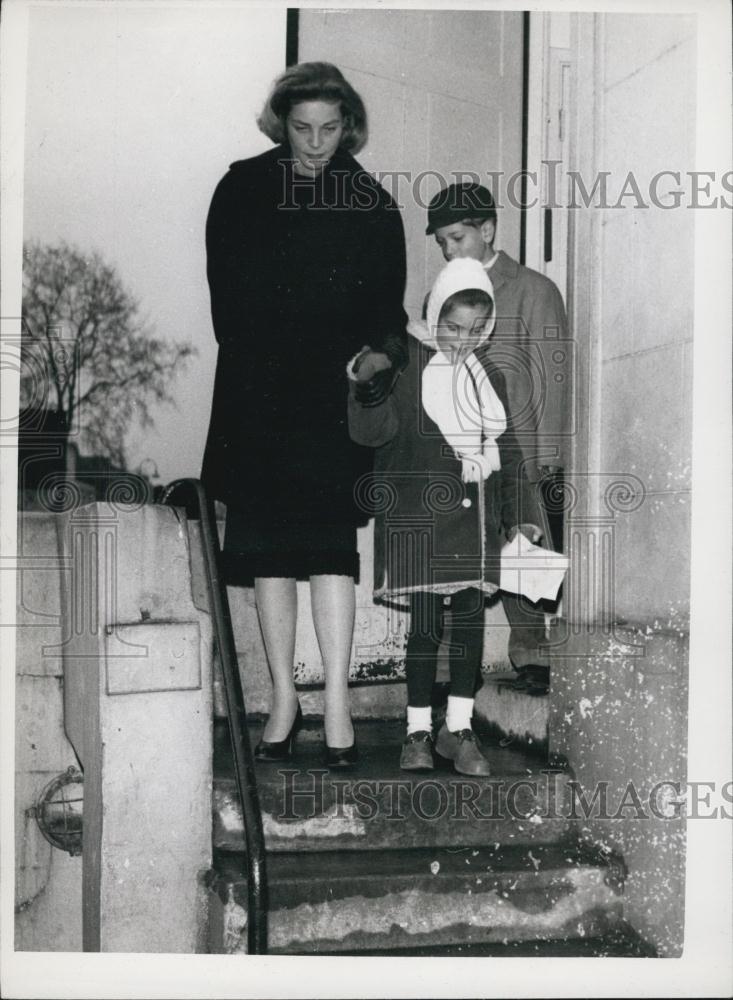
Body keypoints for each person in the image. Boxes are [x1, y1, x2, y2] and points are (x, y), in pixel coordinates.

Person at [201, 62, 408, 768]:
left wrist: (380, 357)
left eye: (329, 129)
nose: (316, 144)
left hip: (330, 403)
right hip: (260, 400)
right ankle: (285, 703)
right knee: (268, 559)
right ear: (280, 123)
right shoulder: (241, 189)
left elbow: (388, 315)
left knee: (328, 555)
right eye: (301, 129)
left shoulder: (373, 203)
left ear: (346, 124)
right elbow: (226, 303)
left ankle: (340, 709)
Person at [348, 258, 541, 774]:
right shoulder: (404, 367)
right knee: (426, 628)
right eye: (453, 327)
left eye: (477, 329)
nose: (464, 339)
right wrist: (366, 388)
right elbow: (369, 435)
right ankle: (415, 731)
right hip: (419, 521)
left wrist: (521, 515)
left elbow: (510, 452)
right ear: (434, 314)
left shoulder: (488, 377)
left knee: (471, 623)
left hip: (474, 524)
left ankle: (458, 730)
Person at [425, 182, 571, 695]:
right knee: (456, 557)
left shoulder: (534, 289)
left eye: (457, 237)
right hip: (462, 454)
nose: (448, 250)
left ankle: (532, 652)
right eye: (441, 241)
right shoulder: (438, 299)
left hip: (520, 450)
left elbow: (554, 378)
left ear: (487, 230)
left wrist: (547, 459)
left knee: (522, 549)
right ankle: (442, 669)